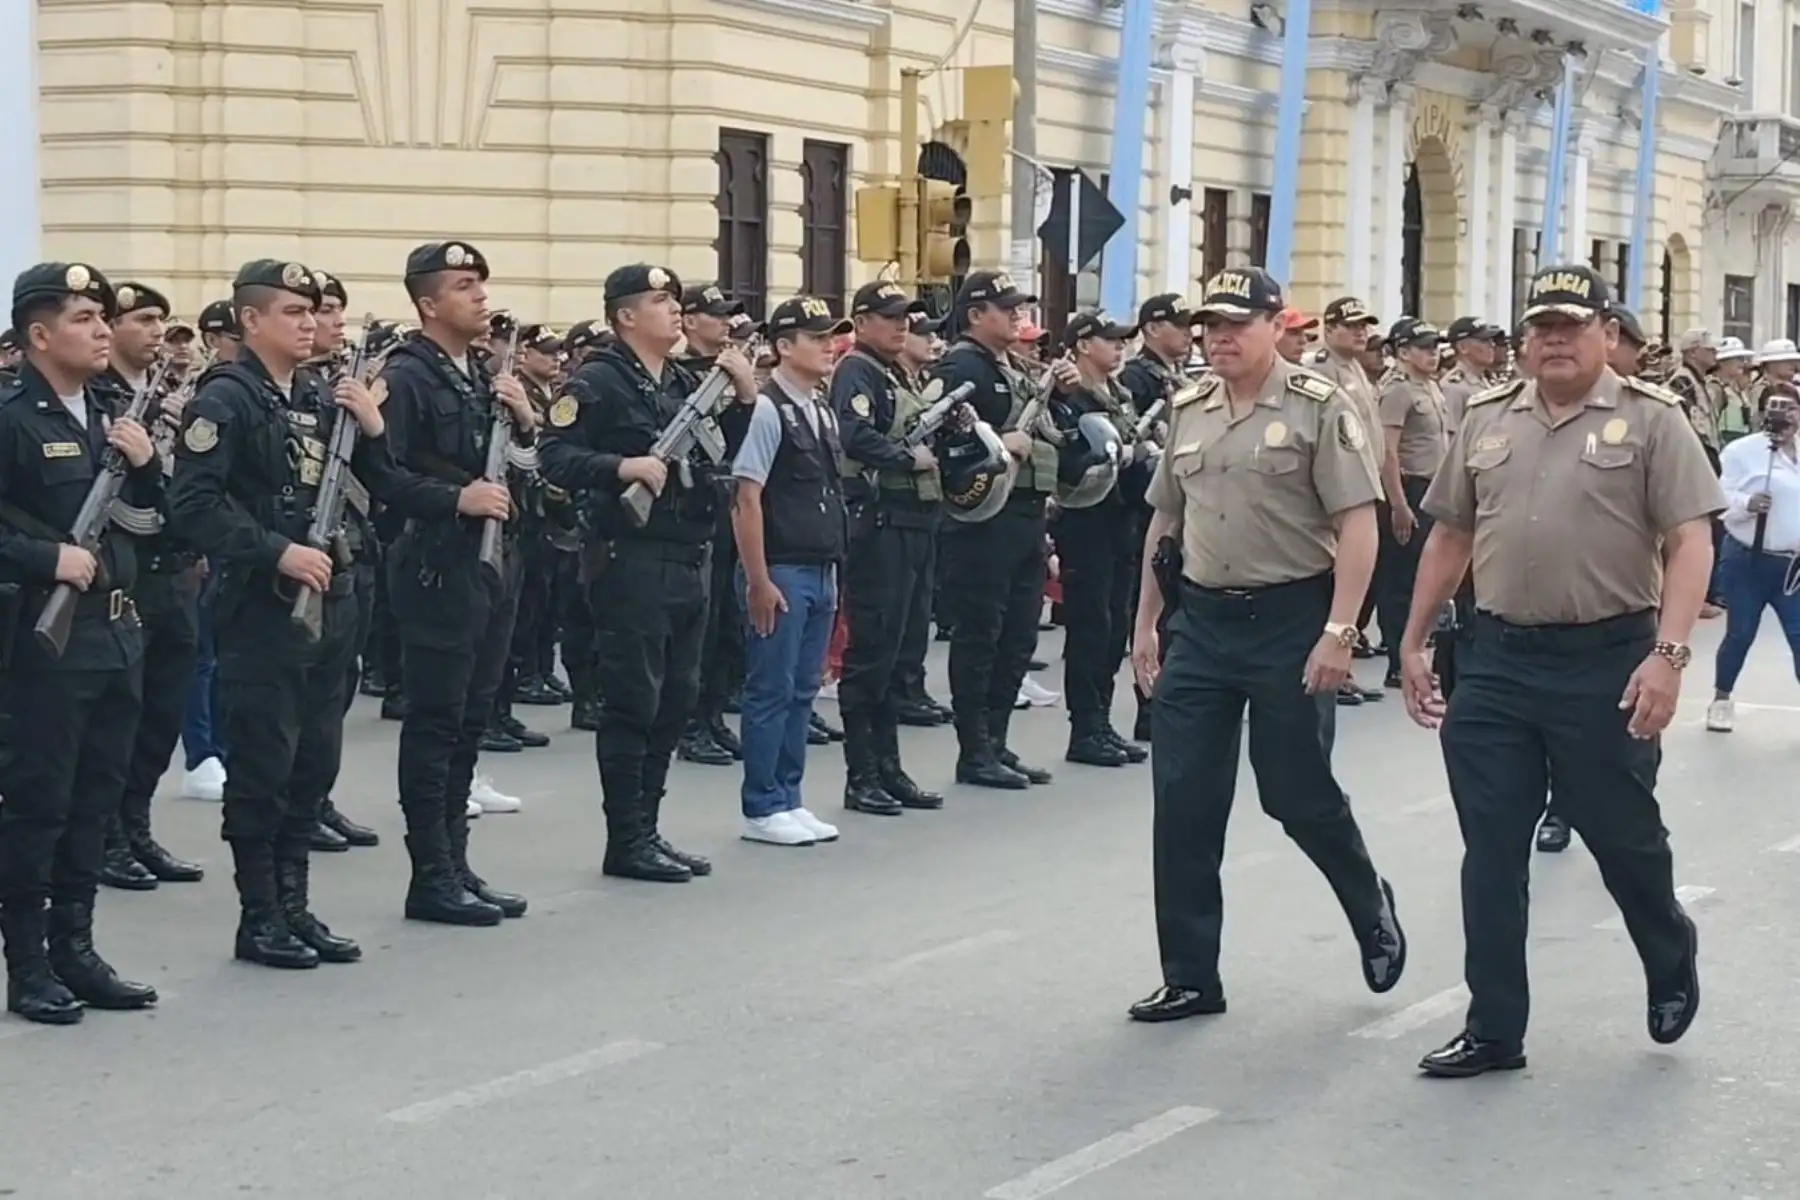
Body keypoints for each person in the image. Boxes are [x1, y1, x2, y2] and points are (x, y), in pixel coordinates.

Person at [1399, 263, 1719, 1077]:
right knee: (1492, 849)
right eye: (1540, 328)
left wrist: (1670, 657)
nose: (1553, 341)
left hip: (1605, 662)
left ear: (1607, 335)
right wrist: (1413, 637)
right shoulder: (1485, 417)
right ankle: (1495, 1027)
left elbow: (1691, 541)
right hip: (1499, 661)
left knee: (1622, 837)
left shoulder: (1653, 420)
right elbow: (1449, 536)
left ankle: (1667, 947)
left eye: (1571, 327)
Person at [1125, 266, 1404, 1024]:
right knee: (1182, 799)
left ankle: (1368, 903)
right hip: (1204, 624)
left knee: (1296, 793)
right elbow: (1165, 521)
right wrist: (1145, 622)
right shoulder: (1189, 408)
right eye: (1208, 325)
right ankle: (1190, 974)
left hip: (1291, 621)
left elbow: (1356, 522)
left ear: (1277, 325)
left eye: (1234, 324)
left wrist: (1341, 631)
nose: (1217, 337)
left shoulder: (1320, 406)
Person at [169, 259, 399, 967]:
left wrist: (375, 429)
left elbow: (376, 488)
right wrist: (276, 552)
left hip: (331, 602)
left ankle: (296, 905)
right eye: (294, 312)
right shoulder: (226, 400)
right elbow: (193, 506)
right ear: (250, 320)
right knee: (265, 764)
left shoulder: (321, 395)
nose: (309, 323)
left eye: (314, 311)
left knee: (313, 761)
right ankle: (259, 914)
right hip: (262, 608)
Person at [539, 264, 756, 882]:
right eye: (662, 301)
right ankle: (625, 838)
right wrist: (622, 466)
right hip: (630, 558)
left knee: (675, 700)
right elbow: (554, 457)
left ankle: (649, 828)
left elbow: (722, 452)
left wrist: (743, 398)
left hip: (689, 554)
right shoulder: (598, 382)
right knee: (634, 701)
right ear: (626, 315)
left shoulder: (680, 381)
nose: (676, 311)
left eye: (676, 301)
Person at [0, 261, 160, 1024]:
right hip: (46, 640)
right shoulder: (11, 417)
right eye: (83, 318)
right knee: (41, 804)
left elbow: (159, 524)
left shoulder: (112, 412)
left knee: (96, 801)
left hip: (118, 634)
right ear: (38, 334)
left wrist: (149, 467)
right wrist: (43, 559)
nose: (102, 330)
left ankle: (78, 950)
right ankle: (29, 965)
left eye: (103, 317)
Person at [378, 240, 537, 925]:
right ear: (428, 303)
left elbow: (521, 464)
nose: (480, 296)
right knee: (437, 720)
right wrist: (454, 499)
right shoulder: (407, 376)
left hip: (489, 563)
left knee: (471, 719)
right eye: (465, 285)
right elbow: (379, 473)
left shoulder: (478, 372)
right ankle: (429, 875)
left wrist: (526, 417)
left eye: (482, 284)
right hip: (436, 562)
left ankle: (457, 861)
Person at [929, 270, 1064, 790]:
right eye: (1006, 308)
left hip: (1023, 516)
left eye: (1020, 307)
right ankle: (974, 749)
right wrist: (997, 443)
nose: (1018, 316)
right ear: (975, 315)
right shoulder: (961, 366)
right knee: (981, 635)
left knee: (1016, 637)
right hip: (982, 520)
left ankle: (997, 739)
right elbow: (942, 437)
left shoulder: (1009, 365)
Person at [93, 280, 208, 889]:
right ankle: (106, 838)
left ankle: (136, 827)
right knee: (121, 720)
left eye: (161, 319)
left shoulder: (170, 397)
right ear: (110, 327)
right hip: (125, 580)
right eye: (143, 318)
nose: (157, 330)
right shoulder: (97, 398)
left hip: (175, 577)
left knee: (162, 714)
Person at [729, 296, 850, 845]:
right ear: (783, 346)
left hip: (819, 566)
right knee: (771, 688)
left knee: (803, 689)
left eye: (830, 336)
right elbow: (746, 498)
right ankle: (762, 804)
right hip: (780, 567)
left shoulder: (819, 407)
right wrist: (758, 578)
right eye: (815, 336)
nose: (829, 346)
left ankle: (789, 795)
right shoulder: (766, 407)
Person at [831, 282, 946, 816]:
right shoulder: (857, 370)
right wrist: (907, 458)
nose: (902, 326)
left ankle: (889, 767)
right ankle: (863, 775)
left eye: (905, 318)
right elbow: (853, 435)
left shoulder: (897, 372)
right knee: (873, 652)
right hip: (881, 522)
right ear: (861, 320)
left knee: (900, 652)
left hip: (914, 522)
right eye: (889, 317)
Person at [1053, 310, 1149, 767]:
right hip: (1087, 518)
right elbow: (1069, 458)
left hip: (1122, 516)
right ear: (1084, 344)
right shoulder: (1071, 397)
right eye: (1111, 340)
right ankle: (1085, 727)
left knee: (1114, 625)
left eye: (1123, 340)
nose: (1120, 347)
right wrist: (1123, 454)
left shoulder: (1120, 393)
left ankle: (1104, 721)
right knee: (1090, 626)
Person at [1706, 381, 1800, 732]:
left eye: (1791, 408)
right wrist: (1747, 504)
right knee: (1741, 633)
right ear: (1763, 414)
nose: (1785, 416)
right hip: (1748, 559)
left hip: (1792, 566)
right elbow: (1719, 499)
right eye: (1777, 408)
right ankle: (1721, 697)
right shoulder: (1741, 452)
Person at [1374, 317, 1450, 691]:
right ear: (1403, 352)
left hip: (1432, 489)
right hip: (1408, 489)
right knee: (1400, 579)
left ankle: (1417, 649)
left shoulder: (1429, 387)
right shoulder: (1398, 391)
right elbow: (1387, 451)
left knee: (1425, 574)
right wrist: (1399, 505)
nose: (1432, 353)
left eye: (1435, 346)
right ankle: (1396, 659)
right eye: (1423, 347)